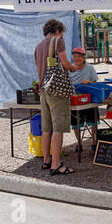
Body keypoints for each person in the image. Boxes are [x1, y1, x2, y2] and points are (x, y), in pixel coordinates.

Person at [34, 19, 80, 175]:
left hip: (43, 91)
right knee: (58, 128)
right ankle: (56, 164)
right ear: (58, 31)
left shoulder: (39, 46)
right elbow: (65, 63)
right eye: (62, 33)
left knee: (46, 128)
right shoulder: (58, 41)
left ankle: (46, 160)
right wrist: (74, 68)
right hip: (57, 91)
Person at [68, 47, 99, 151]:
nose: (76, 59)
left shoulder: (90, 68)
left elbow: (95, 83)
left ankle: (93, 140)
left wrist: (89, 82)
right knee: (76, 123)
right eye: (75, 56)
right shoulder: (70, 68)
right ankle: (79, 142)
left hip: (88, 98)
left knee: (93, 121)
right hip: (74, 99)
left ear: (84, 58)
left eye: (79, 57)